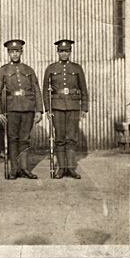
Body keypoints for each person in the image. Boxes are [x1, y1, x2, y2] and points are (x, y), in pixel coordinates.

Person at [0, 39, 43, 180]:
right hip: (12, 109)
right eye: (12, 51)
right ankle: (14, 169)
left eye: (17, 51)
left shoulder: (28, 70)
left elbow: (36, 90)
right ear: (8, 53)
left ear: (21, 52)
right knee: (12, 139)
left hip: (27, 108)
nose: (15, 54)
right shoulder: (3, 71)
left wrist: (39, 110)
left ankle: (25, 168)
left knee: (25, 139)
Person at [43, 39, 89, 179]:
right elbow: (46, 90)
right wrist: (48, 109)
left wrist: (84, 108)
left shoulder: (77, 68)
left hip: (73, 107)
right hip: (57, 106)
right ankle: (61, 169)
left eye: (67, 51)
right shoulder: (51, 68)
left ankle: (70, 169)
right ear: (57, 52)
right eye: (61, 51)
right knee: (60, 138)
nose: (64, 54)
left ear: (70, 52)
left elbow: (83, 89)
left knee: (71, 139)